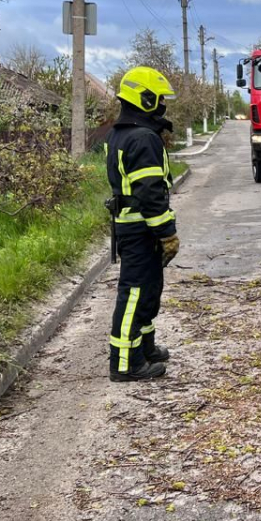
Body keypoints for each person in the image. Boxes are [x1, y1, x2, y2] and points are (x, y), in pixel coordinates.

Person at [104, 67, 180, 382]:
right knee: (134, 292)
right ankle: (125, 363)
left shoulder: (121, 132)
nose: (163, 105)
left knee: (148, 290)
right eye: (159, 99)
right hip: (141, 229)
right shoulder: (143, 138)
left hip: (133, 226)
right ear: (146, 99)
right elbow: (150, 193)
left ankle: (144, 347)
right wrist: (167, 233)